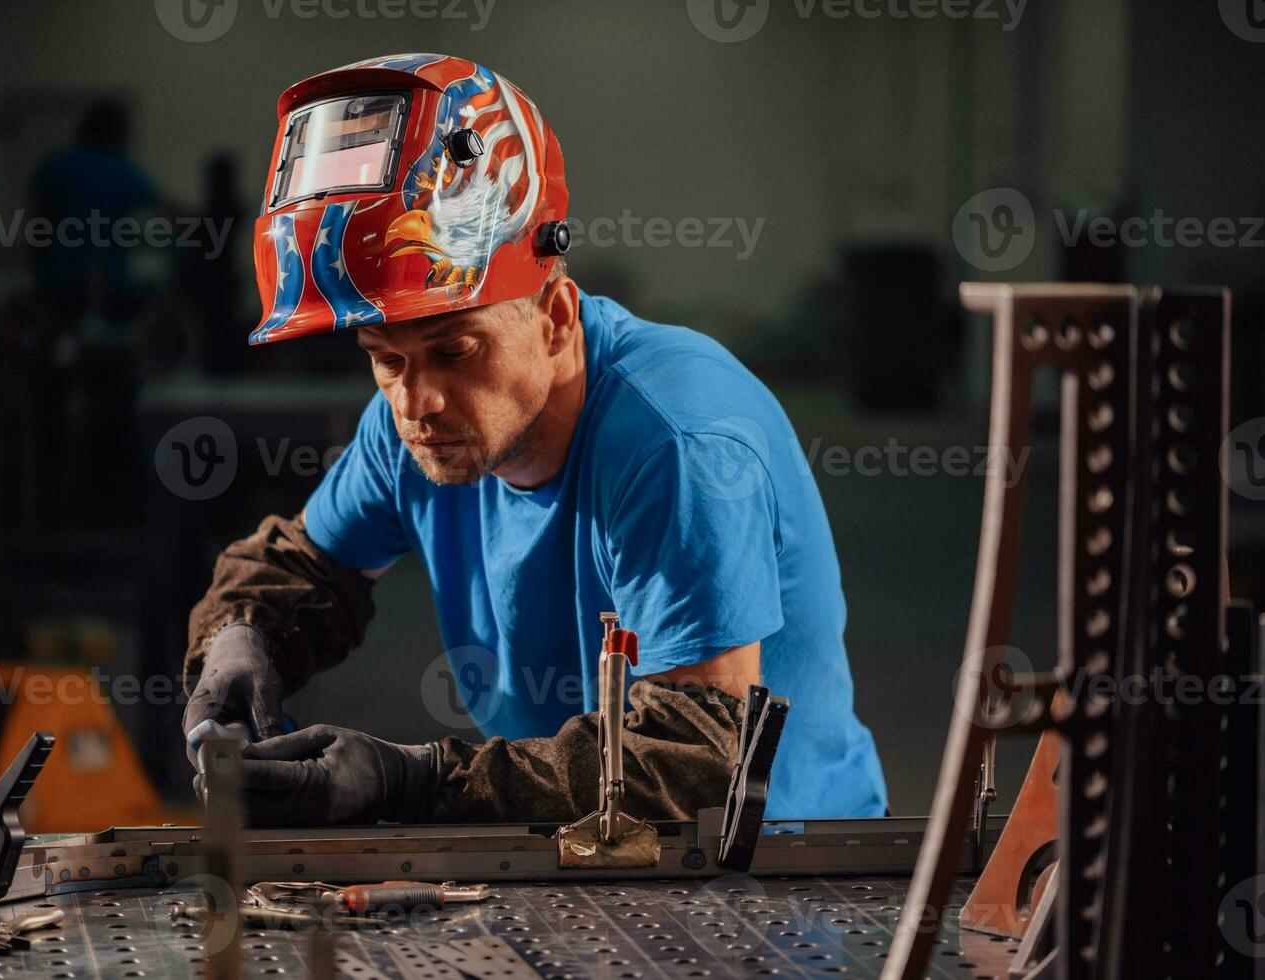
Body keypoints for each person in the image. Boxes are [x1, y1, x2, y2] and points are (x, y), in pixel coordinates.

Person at [181, 54, 886, 826]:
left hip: (769, 870)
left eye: (455, 350)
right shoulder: (409, 422)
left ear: (553, 319)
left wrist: (415, 781)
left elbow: (693, 757)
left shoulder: (675, 442)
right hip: (572, 844)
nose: (417, 402)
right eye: (385, 358)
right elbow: (300, 566)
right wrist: (238, 638)